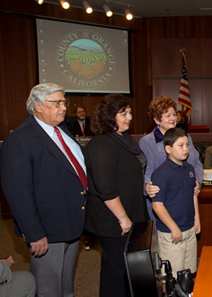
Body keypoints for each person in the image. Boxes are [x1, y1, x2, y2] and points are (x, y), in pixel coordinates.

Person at [0, 83, 87, 296]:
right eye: (56, 103)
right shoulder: (20, 139)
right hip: (47, 230)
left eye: (63, 102)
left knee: (66, 283)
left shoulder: (62, 130)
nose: (63, 107)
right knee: (49, 288)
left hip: (71, 221)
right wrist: (34, 233)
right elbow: (18, 192)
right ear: (37, 106)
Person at [84, 94, 148, 297]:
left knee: (125, 270)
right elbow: (105, 187)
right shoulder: (102, 144)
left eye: (130, 112)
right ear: (109, 116)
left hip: (131, 213)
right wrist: (123, 219)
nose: (129, 117)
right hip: (115, 220)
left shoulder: (124, 139)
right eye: (123, 113)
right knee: (115, 271)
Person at [139, 96, 203, 229]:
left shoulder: (186, 137)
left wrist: (197, 181)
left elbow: (196, 164)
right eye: (167, 115)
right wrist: (147, 186)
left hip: (186, 198)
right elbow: (147, 169)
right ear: (156, 119)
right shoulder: (147, 141)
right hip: (164, 200)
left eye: (174, 114)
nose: (173, 118)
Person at [151, 127, 201, 279]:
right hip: (171, 233)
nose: (186, 149)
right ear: (168, 149)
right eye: (180, 145)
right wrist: (174, 228)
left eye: (187, 145)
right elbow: (157, 205)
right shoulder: (161, 173)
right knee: (172, 277)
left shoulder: (189, 168)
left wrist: (197, 219)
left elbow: (194, 195)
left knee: (189, 273)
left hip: (189, 229)